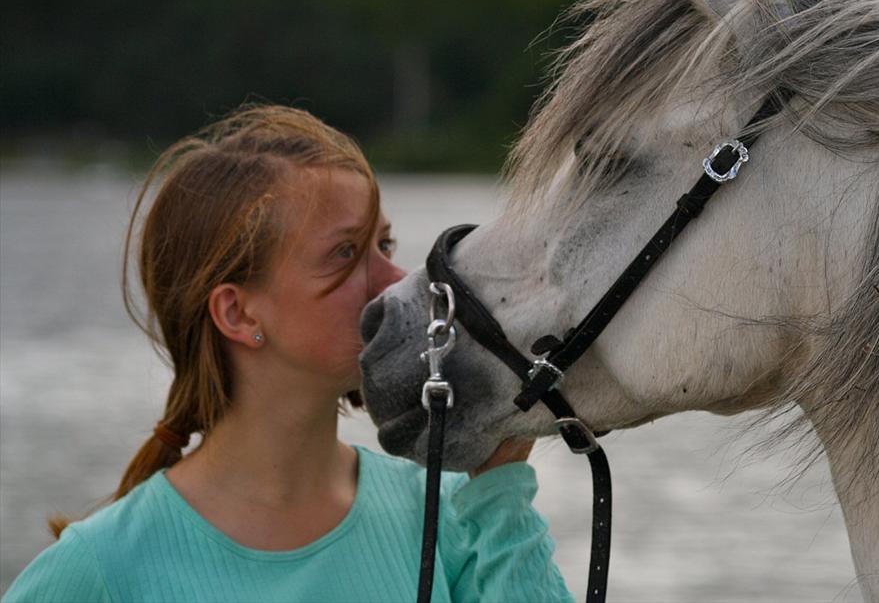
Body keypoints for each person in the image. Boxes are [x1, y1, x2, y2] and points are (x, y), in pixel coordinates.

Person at [4, 105, 572, 603]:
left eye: (384, 244)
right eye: (346, 252)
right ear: (239, 313)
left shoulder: (454, 516)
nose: (397, 278)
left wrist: (500, 491)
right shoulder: (100, 570)